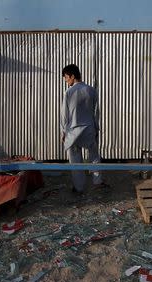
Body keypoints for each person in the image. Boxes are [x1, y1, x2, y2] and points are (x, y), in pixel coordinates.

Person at [60, 64, 107, 193]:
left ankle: (79, 187)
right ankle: (97, 182)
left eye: (66, 78)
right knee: (94, 156)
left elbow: (64, 115)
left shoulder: (69, 92)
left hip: (73, 131)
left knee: (75, 160)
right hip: (89, 128)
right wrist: (96, 128)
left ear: (72, 76)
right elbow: (96, 112)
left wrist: (63, 132)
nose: (66, 81)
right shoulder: (91, 90)